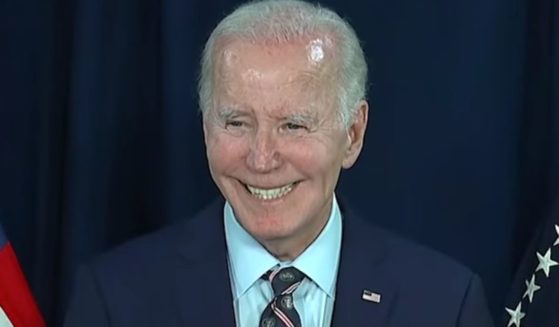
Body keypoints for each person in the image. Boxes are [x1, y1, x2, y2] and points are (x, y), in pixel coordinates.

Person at [64, 0, 495, 326]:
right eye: (236, 122)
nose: (262, 158)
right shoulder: (114, 300)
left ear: (353, 134)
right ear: (204, 127)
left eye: (293, 125)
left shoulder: (444, 304)